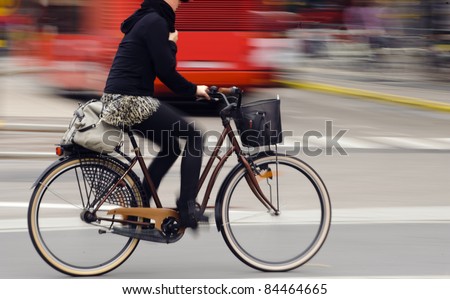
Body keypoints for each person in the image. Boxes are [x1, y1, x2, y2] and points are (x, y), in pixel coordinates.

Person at [100, 0, 210, 229]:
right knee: (194, 137)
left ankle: (136, 208)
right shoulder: (156, 22)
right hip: (130, 101)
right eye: (179, 1)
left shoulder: (145, 18)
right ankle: (188, 208)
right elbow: (166, 71)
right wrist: (194, 89)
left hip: (121, 99)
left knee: (171, 146)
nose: (180, 5)